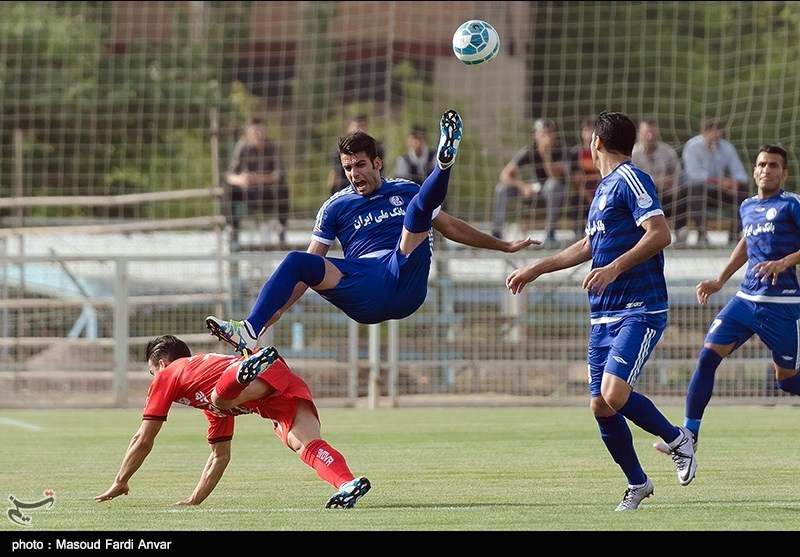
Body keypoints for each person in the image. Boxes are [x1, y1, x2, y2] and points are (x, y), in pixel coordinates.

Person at [205, 109, 536, 361]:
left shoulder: (405, 189)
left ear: (377, 163)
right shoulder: (335, 206)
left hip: (405, 277)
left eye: (360, 165)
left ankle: (443, 164)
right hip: (365, 286)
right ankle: (248, 331)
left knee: (418, 210)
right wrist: (270, 315)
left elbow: (451, 226)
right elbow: (306, 271)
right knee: (295, 260)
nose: (354, 174)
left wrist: (503, 246)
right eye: (348, 168)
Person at [505, 111, 696, 512]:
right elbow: (588, 245)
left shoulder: (631, 178)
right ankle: (638, 483)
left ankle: (679, 439)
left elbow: (660, 233)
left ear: (595, 144)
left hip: (639, 309)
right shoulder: (604, 189)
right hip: (603, 315)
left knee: (614, 392)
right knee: (600, 405)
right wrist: (536, 268)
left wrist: (614, 267)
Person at [94, 335, 371, 509]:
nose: (154, 381)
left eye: (152, 373)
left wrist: (121, 480)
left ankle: (244, 368)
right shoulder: (204, 397)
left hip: (252, 377)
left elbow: (143, 438)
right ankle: (347, 484)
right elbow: (220, 456)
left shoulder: (170, 374)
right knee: (305, 445)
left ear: (163, 365)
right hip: (277, 388)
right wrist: (194, 500)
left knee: (220, 400)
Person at [653, 144, 800, 456]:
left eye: (774, 165)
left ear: (784, 172)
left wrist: (785, 262)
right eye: (762, 164)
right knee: (707, 357)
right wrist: (719, 280)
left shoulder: (791, 205)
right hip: (745, 300)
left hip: (783, 306)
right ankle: (689, 436)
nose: (766, 169)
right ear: (755, 169)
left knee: (786, 381)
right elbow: (747, 242)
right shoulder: (747, 206)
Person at [491, 118, 568, 245]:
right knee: (502, 188)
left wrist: (546, 155)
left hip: (553, 195)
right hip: (533, 191)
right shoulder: (529, 150)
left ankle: (550, 234)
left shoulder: (561, 151)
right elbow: (504, 174)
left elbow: (554, 176)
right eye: (543, 134)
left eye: (550, 133)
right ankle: (496, 233)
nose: (547, 137)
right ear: (535, 135)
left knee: (552, 185)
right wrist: (522, 186)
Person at [681, 118, 749, 246]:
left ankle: (735, 234)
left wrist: (735, 183)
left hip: (719, 190)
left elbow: (740, 173)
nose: (715, 135)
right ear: (703, 132)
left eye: (718, 131)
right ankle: (702, 234)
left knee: (744, 188)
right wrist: (720, 181)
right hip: (696, 191)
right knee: (696, 189)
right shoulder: (692, 146)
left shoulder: (727, 147)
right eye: (711, 131)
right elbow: (694, 174)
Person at [223, 116, 290, 246]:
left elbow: (279, 174)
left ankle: (282, 228)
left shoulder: (274, 147)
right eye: (255, 130)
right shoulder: (242, 147)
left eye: (261, 130)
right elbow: (229, 175)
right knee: (227, 188)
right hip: (249, 192)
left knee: (282, 188)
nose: (258, 134)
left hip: (268, 193)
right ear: (248, 132)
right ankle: (231, 227)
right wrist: (241, 179)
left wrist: (260, 179)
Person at [631, 117, 683, 236]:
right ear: (640, 134)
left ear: (657, 132)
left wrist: (673, 189)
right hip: (642, 195)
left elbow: (677, 174)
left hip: (667, 194)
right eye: (646, 133)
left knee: (685, 192)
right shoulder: (634, 153)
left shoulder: (668, 151)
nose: (650, 136)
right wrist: (659, 181)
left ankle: (681, 232)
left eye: (652, 133)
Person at [327, 114, 384, 195]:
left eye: (361, 165)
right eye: (348, 168)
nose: (359, 130)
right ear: (348, 128)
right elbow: (335, 172)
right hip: (345, 186)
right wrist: (331, 191)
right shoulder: (340, 150)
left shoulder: (376, 147)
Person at [565, 116, 601, 238]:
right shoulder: (576, 153)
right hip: (584, 193)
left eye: (592, 129)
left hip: (601, 191)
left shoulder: (603, 151)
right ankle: (579, 234)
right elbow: (576, 179)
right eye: (586, 129)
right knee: (577, 202)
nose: (589, 133)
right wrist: (589, 197)